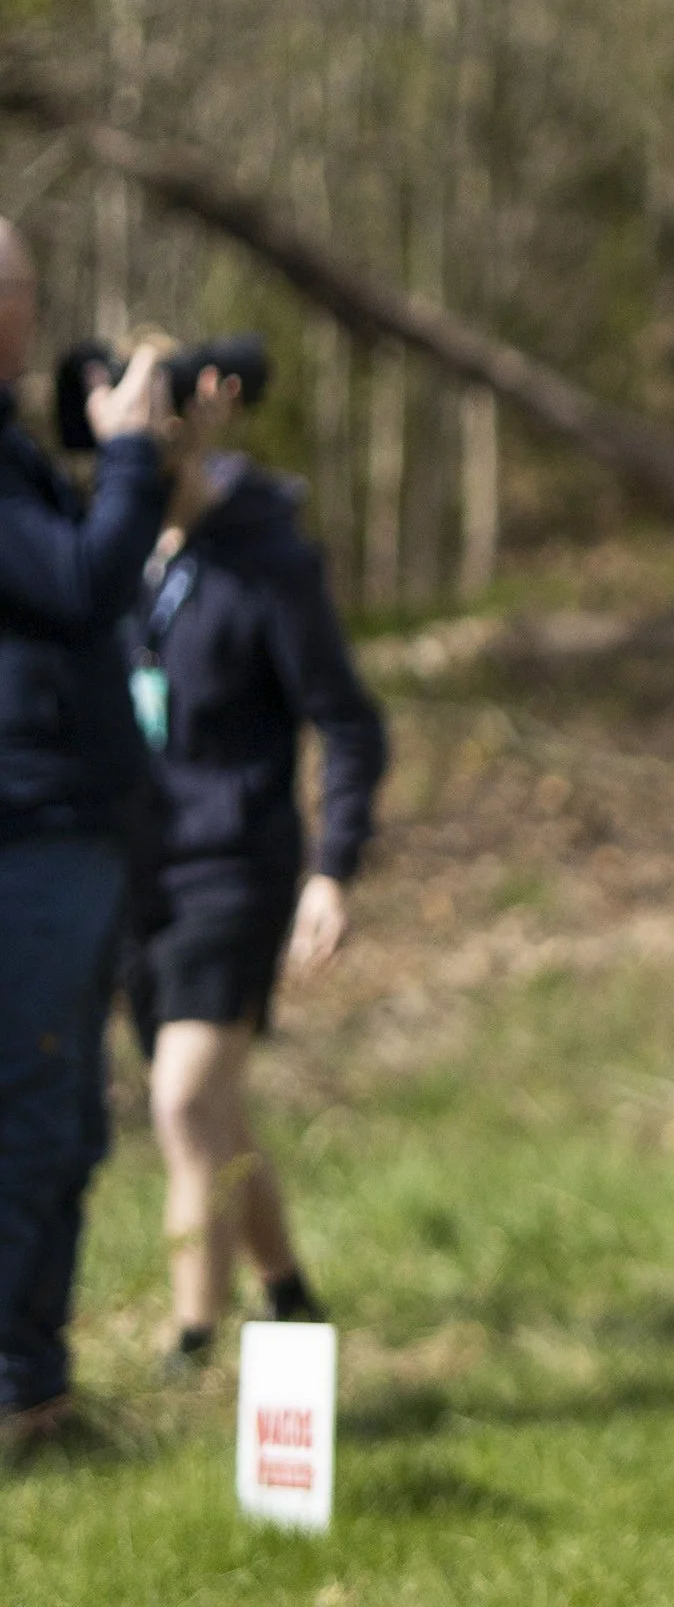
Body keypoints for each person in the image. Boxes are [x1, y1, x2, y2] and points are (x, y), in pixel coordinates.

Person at [121, 393, 387, 1370]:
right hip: (136, 873)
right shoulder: (117, 560)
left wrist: (333, 867)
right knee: (216, 1110)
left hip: (237, 865)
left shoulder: (268, 561)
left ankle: (189, 1346)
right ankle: (291, 1295)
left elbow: (349, 721)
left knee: (183, 1101)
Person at [0, 224, 177, 1459]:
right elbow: (79, 583)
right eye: (16, 288)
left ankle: (36, 1391)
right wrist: (128, 458)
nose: (30, 308)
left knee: (63, 1116)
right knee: (29, 1109)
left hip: (68, 826)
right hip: (28, 833)